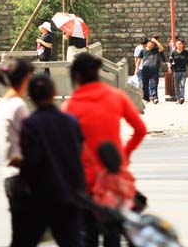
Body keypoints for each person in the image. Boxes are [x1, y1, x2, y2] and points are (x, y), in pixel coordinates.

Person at [63, 51, 147, 247]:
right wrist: (123, 156)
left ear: (75, 76)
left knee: (88, 233)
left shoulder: (70, 107)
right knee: (113, 233)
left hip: (85, 181)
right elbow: (140, 131)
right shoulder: (116, 96)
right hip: (114, 177)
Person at [18, 73, 85, 247]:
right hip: (70, 194)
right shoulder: (71, 122)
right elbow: (79, 154)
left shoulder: (30, 125)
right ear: (54, 92)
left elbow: (32, 162)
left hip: (41, 196)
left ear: (30, 96)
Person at [0, 58, 34, 247]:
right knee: (25, 235)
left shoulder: (3, 103)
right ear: (25, 78)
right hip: (21, 176)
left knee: (22, 233)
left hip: (11, 176)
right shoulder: (17, 106)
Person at [140, 35, 165, 104]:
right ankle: (146, 98)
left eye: (153, 43)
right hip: (145, 70)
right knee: (145, 85)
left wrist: (155, 41)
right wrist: (136, 68)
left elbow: (161, 48)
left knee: (154, 84)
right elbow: (138, 60)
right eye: (151, 43)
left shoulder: (156, 50)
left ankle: (154, 97)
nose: (152, 44)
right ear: (147, 43)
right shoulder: (143, 51)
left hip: (154, 70)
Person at [169, 38, 188, 104]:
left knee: (182, 84)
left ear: (183, 45)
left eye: (180, 44)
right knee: (176, 85)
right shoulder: (174, 52)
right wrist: (170, 68)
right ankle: (178, 98)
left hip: (183, 71)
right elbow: (170, 61)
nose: (179, 45)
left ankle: (182, 97)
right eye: (177, 44)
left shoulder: (185, 52)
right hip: (175, 71)